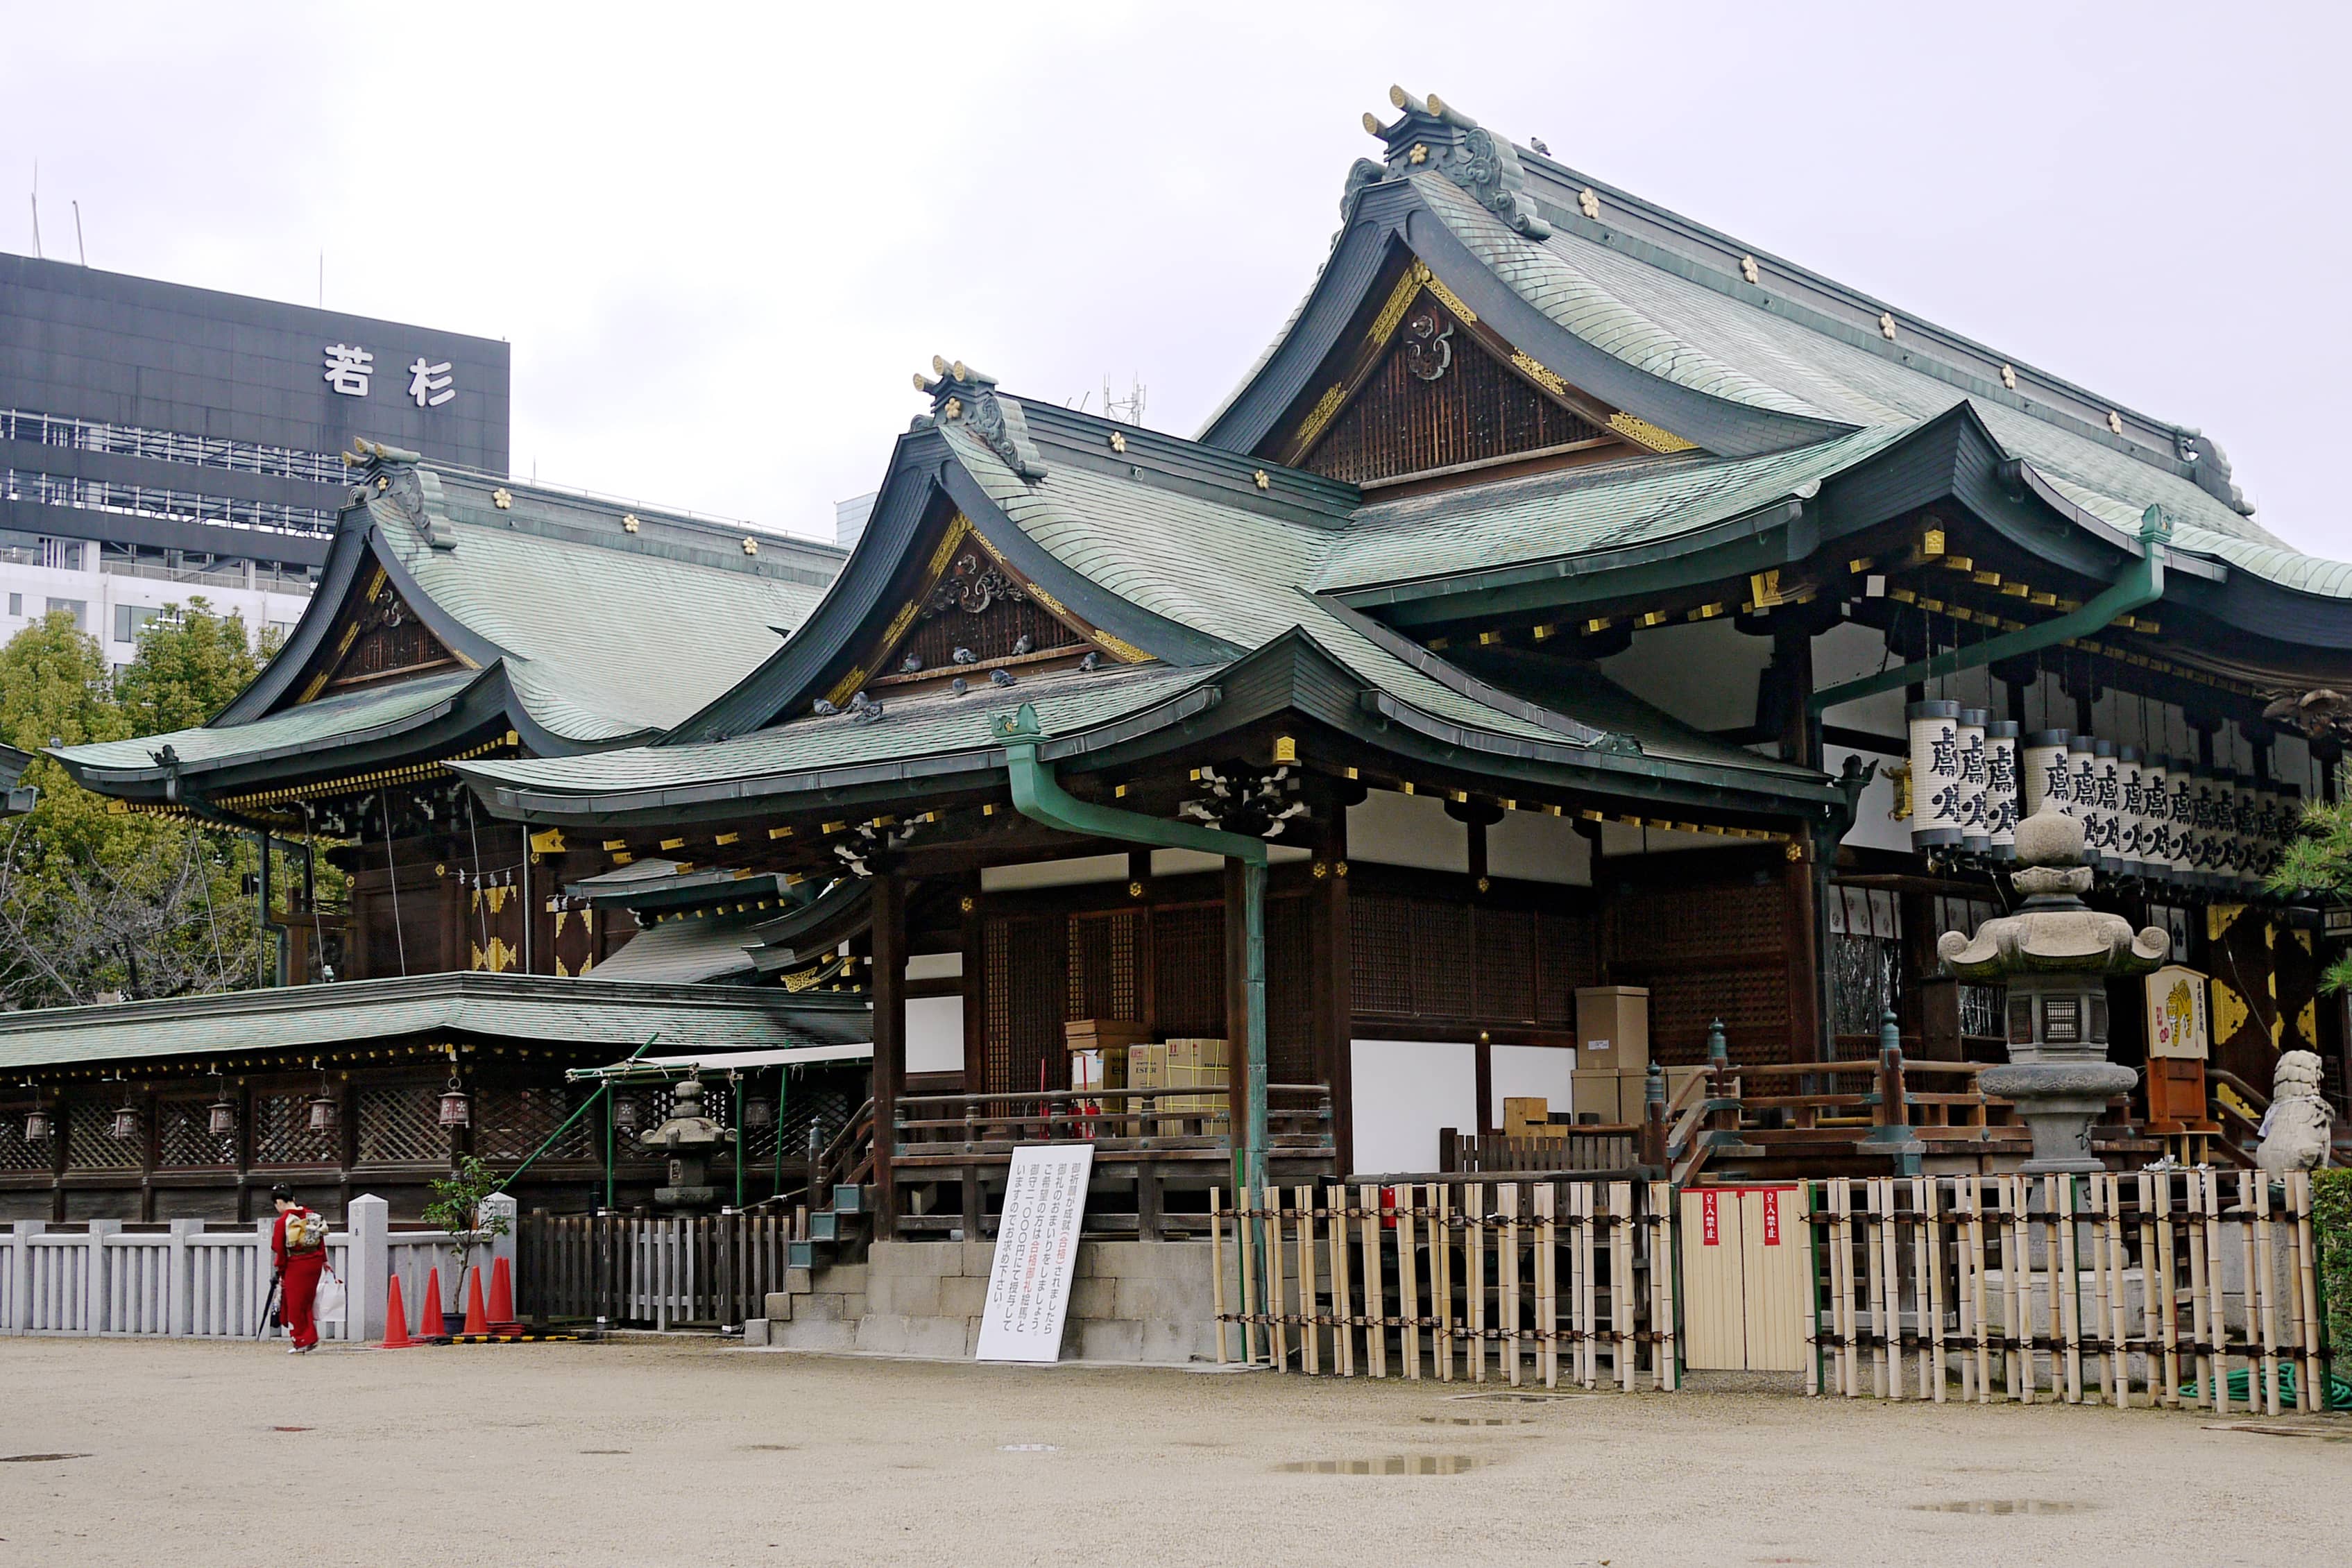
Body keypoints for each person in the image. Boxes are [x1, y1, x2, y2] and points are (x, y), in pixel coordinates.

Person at [270, 1185, 330, 1354]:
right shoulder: (311, 1215)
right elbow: (320, 1239)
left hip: (296, 1264)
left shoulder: (283, 1222)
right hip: (314, 1262)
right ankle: (310, 1337)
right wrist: (324, 1260)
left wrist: (280, 1268)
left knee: (295, 1304)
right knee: (306, 1302)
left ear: (279, 1202)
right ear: (293, 1199)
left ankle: (301, 1340)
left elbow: (279, 1248)